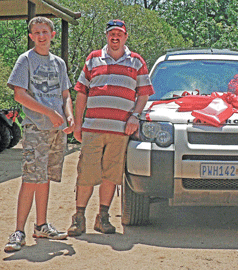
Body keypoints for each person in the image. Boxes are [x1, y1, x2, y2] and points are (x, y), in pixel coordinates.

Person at [67, 19, 153, 236]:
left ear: (126, 36)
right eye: (111, 34)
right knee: (86, 174)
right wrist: (78, 124)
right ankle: (78, 218)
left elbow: (143, 94)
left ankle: (102, 218)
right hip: (93, 128)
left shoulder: (136, 62)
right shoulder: (93, 59)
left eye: (119, 34)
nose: (115, 37)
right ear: (106, 36)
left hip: (120, 130)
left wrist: (135, 116)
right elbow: (81, 92)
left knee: (111, 175)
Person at [4, 17, 74, 252]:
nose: (41, 36)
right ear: (31, 36)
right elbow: (19, 95)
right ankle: (18, 231)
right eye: (36, 32)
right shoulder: (26, 60)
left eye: (45, 31)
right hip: (36, 128)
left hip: (56, 129)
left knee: (44, 177)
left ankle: (41, 225)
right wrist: (49, 112)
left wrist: (69, 115)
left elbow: (66, 94)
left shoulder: (59, 63)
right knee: (30, 178)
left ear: (53, 35)